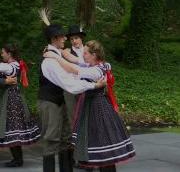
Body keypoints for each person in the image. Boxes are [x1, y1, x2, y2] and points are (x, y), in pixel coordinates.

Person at [44, 40, 136, 172]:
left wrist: (55, 57)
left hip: (97, 107)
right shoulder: (97, 65)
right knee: (97, 141)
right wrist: (58, 52)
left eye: (86, 53)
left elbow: (74, 69)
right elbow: (73, 60)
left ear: (94, 55)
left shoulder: (96, 71)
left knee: (102, 142)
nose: (83, 55)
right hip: (91, 105)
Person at [38, 13, 106, 172]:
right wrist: (94, 86)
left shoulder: (57, 55)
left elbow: (73, 71)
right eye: (62, 37)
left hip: (61, 100)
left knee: (66, 137)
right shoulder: (50, 60)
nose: (65, 39)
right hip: (50, 102)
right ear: (54, 39)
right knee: (52, 138)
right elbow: (69, 84)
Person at [0, 44, 40, 167]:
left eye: (3, 52)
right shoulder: (13, 65)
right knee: (11, 128)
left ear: (9, 53)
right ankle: (17, 159)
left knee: (13, 128)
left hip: (12, 99)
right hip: (12, 97)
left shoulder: (12, 66)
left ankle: (18, 160)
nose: (1, 54)